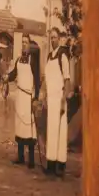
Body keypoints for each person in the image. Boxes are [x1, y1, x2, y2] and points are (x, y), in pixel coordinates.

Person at [42, 37, 73, 177]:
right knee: (51, 130)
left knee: (60, 132)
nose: (52, 40)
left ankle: (60, 165)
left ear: (59, 39)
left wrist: (63, 101)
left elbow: (67, 80)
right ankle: (51, 163)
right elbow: (46, 80)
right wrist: (44, 97)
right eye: (51, 38)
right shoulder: (49, 56)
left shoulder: (63, 56)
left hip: (59, 98)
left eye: (55, 37)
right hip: (50, 99)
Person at [10, 38, 39, 168]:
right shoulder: (18, 59)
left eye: (26, 42)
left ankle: (31, 160)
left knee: (29, 127)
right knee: (20, 126)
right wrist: (6, 77)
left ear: (29, 45)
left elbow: (37, 80)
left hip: (28, 97)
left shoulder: (33, 61)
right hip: (19, 96)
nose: (23, 44)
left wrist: (36, 98)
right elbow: (13, 74)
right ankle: (20, 157)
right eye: (22, 42)